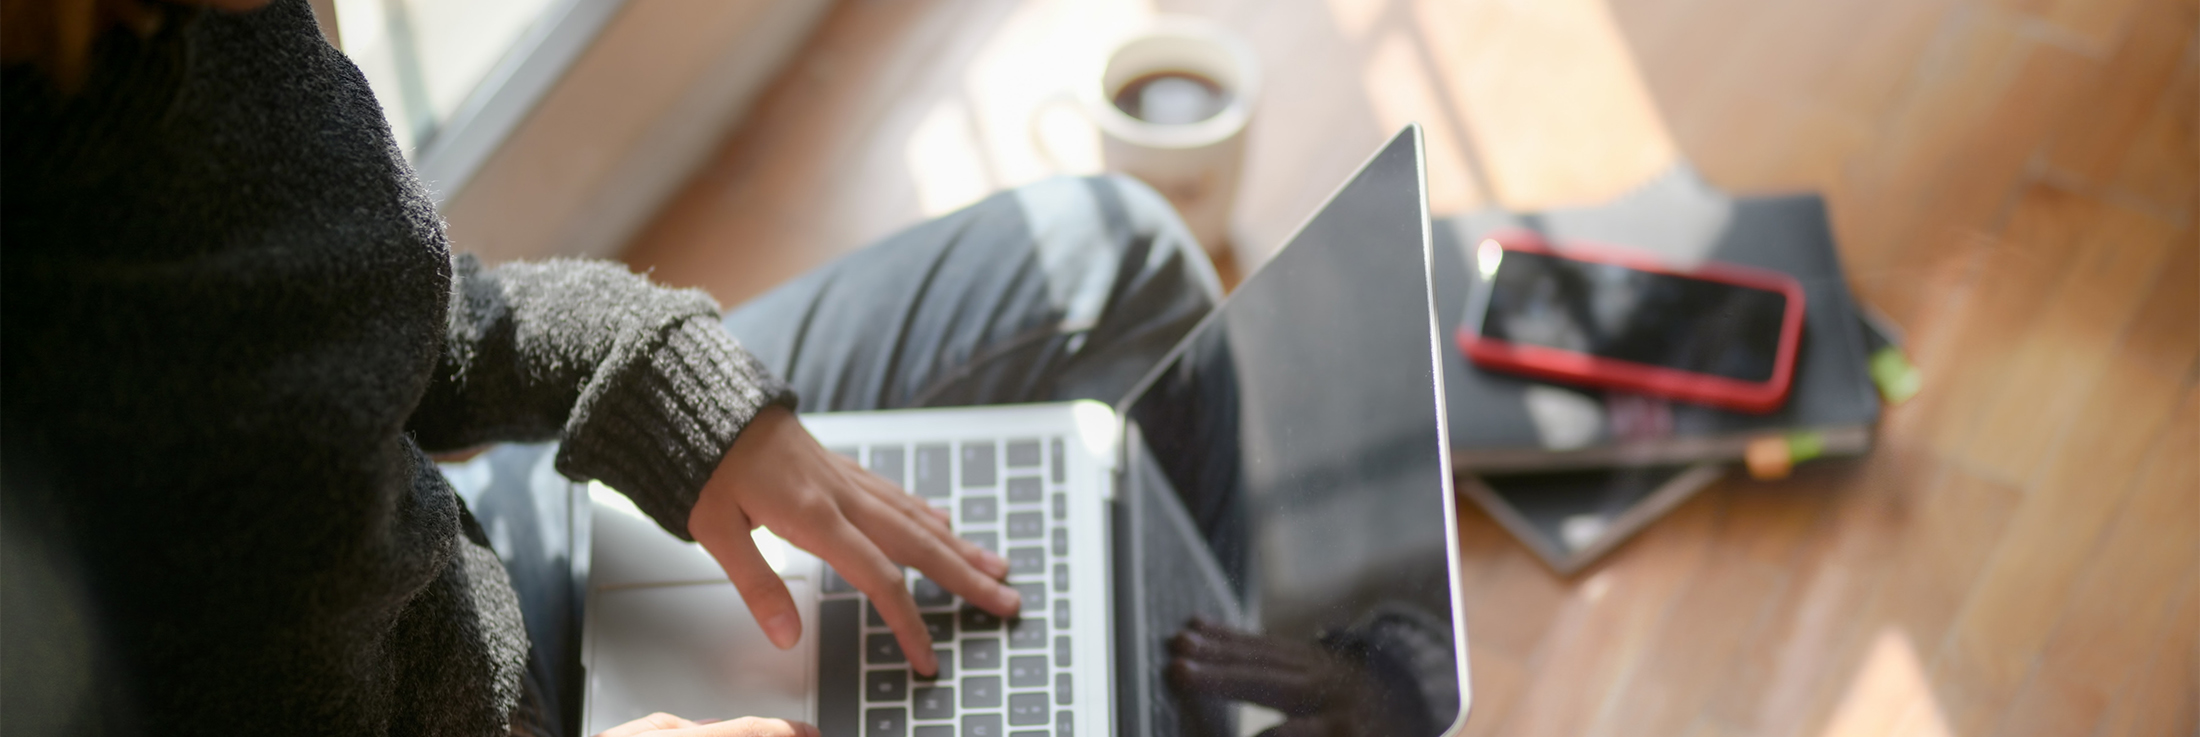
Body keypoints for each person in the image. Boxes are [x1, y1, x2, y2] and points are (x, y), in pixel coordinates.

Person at [0, 1, 1221, 734]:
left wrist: (672, 391)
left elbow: (380, 324)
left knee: (1115, 261)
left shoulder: (215, 26)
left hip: (466, 598)